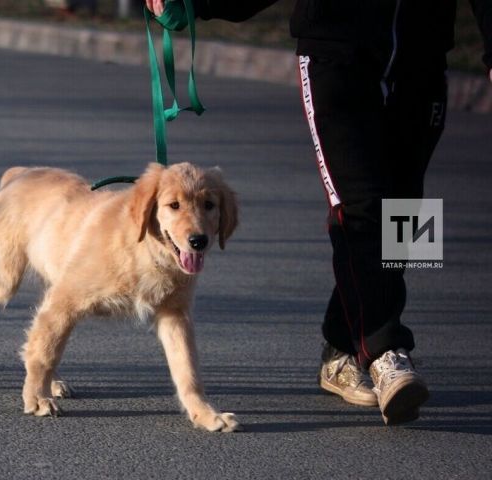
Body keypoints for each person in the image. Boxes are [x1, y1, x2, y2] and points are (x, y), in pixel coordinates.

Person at [146, 0, 492, 425]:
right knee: (361, 204)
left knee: (410, 211)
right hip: (337, 50)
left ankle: (342, 345)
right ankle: (387, 351)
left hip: (423, 55)